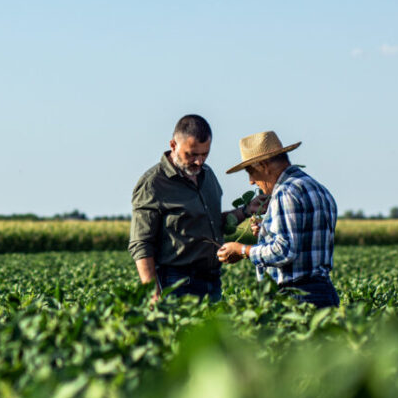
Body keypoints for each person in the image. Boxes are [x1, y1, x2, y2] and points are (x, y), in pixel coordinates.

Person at [129, 114, 265, 303]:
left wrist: (246, 210)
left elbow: (213, 222)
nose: (199, 161)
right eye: (192, 154)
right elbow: (141, 244)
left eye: (204, 154)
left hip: (212, 280)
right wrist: (153, 293)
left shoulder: (207, 175)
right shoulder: (153, 184)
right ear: (173, 145)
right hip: (176, 282)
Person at [216, 131, 340, 307]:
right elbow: (304, 239)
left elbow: (284, 250)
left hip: (297, 296)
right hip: (324, 292)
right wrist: (267, 231)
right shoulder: (318, 188)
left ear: (264, 165)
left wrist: (242, 250)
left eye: (250, 172)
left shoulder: (285, 192)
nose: (251, 181)